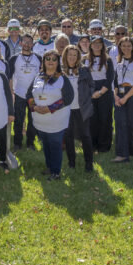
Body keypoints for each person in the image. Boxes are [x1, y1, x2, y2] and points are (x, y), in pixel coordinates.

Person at [26, 50, 74, 180]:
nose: (51, 61)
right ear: (44, 61)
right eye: (48, 59)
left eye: (54, 59)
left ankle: (56, 172)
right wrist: (34, 106)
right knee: (46, 145)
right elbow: (29, 95)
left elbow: (68, 98)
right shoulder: (37, 77)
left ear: (58, 62)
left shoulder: (62, 78)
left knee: (55, 145)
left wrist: (50, 108)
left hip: (56, 120)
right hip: (40, 120)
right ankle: (49, 167)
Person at [111, 37, 133, 164]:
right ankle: (122, 154)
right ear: (120, 47)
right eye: (123, 46)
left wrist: (125, 98)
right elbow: (115, 80)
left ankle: (132, 150)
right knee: (120, 124)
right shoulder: (119, 61)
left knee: (131, 124)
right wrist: (116, 96)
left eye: (128, 45)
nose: (126, 48)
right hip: (119, 94)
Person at [61, 44, 94, 173]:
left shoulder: (84, 70)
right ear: (65, 56)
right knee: (68, 136)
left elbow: (92, 85)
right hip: (66, 109)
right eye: (70, 55)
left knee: (85, 135)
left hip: (81, 109)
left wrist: (86, 98)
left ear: (78, 57)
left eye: (75, 55)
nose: (72, 57)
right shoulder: (60, 71)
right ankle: (71, 162)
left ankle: (89, 163)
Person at [9, 34, 41, 151]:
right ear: (21, 43)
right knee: (18, 119)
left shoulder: (38, 58)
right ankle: (17, 143)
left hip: (33, 95)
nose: (27, 44)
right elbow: (10, 76)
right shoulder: (14, 58)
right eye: (25, 42)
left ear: (32, 44)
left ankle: (30, 143)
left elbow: (43, 75)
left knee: (32, 119)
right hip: (19, 94)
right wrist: (11, 91)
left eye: (29, 42)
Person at [86, 36, 115, 153]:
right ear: (90, 45)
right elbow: (83, 77)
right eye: (94, 43)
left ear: (103, 45)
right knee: (92, 119)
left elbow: (110, 78)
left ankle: (104, 146)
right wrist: (91, 92)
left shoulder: (108, 60)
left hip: (105, 92)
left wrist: (101, 92)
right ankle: (92, 145)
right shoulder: (84, 59)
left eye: (99, 43)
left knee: (105, 118)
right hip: (90, 92)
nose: (97, 45)